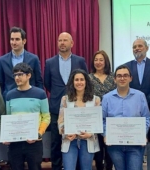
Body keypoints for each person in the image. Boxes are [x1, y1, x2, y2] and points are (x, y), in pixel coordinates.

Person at [44, 32, 88, 170]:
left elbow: (85, 80)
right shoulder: (49, 62)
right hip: (57, 107)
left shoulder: (79, 60)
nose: (62, 43)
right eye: (60, 40)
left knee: (78, 140)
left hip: (77, 107)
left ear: (72, 43)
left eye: (65, 40)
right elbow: (47, 83)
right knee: (56, 142)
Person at [102, 65, 150, 170]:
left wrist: (143, 133)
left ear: (130, 78)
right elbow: (102, 120)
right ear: (114, 79)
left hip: (135, 144)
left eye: (125, 75)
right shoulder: (106, 98)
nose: (122, 78)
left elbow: (147, 117)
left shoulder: (140, 96)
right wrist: (105, 134)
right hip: (114, 144)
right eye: (119, 76)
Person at [3, 63, 50, 170]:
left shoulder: (40, 94)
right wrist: (6, 136)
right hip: (15, 143)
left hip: (34, 143)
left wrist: (38, 134)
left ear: (29, 75)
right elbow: (9, 117)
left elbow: (46, 117)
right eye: (15, 75)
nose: (17, 77)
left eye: (20, 74)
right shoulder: (9, 95)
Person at [124, 38, 150, 170]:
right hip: (132, 111)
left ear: (147, 48)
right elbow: (125, 88)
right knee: (135, 143)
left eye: (140, 46)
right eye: (134, 46)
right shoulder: (127, 67)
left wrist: (144, 100)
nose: (137, 48)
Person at [58, 69, 100, 170]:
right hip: (70, 141)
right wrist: (65, 132)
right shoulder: (65, 99)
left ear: (86, 81)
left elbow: (98, 122)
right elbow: (60, 121)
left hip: (88, 141)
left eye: (82, 79)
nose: (79, 82)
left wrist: (91, 133)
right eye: (76, 80)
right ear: (73, 82)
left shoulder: (96, 100)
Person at [0, 26, 43, 100]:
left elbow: (38, 81)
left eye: (17, 39)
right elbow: (0, 83)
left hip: (30, 99)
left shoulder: (33, 59)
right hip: (10, 99)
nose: (14, 42)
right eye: (12, 39)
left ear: (24, 41)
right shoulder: (2, 60)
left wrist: (38, 98)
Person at [89, 50, 115, 170]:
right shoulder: (88, 78)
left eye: (101, 60)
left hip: (111, 118)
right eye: (96, 60)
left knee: (110, 150)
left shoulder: (113, 77)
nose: (98, 62)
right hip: (95, 118)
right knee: (98, 152)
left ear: (106, 62)